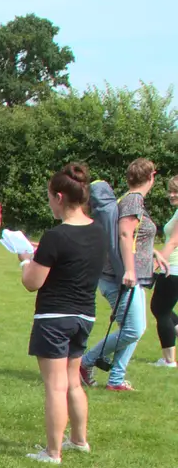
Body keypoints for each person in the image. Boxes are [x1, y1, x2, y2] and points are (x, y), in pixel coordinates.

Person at [16, 163, 102, 463]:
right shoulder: (98, 231)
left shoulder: (56, 236)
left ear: (60, 196)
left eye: (50, 197)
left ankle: (52, 452)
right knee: (73, 381)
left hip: (54, 317)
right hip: (84, 316)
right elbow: (72, 257)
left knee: (55, 386)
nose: (49, 202)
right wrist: (42, 252)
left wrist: (25, 259)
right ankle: (79, 440)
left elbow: (32, 282)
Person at [83, 158, 159, 392]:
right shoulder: (134, 200)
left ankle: (116, 379)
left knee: (133, 329)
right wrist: (129, 269)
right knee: (133, 329)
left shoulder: (127, 199)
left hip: (126, 276)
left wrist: (153, 252)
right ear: (152, 176)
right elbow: (125, 234)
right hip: (123, 278)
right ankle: (84, 363)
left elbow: (134, 237)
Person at [151, 174, 178, 369]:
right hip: (173, 268)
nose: (171, 194)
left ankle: (169, 360)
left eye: (175, 191)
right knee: (161, 309)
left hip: (173, 268)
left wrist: (157, 263)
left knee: (161, 310)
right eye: (170, 190)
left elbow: (174, 241)